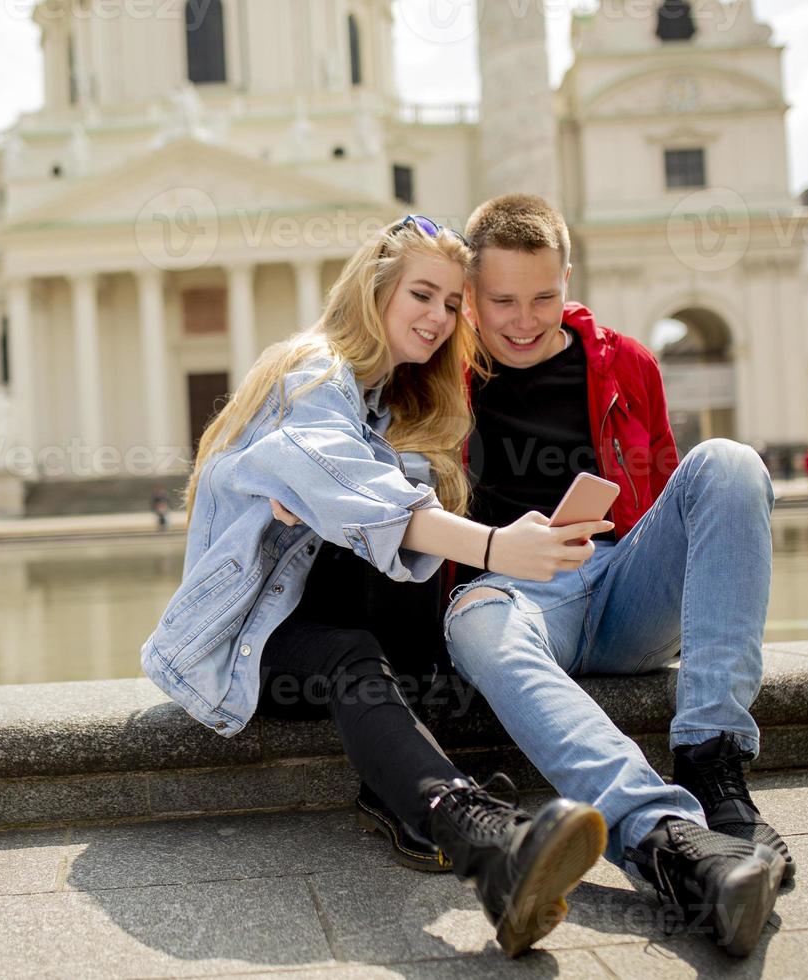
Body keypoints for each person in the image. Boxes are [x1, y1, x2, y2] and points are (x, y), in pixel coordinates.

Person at [142, 215, 613, 958]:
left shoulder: (385, 402)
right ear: (376, 291)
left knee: (414, 500)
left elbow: (379, 511)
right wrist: (498, 546)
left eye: (453, 304)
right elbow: (368, 504)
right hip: (245, 634)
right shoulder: (314, 371)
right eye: (421, 295)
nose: (438, 317)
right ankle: (480, 839)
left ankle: (433, 821)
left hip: (320, 621)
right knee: (361, 624)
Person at [441, 194, 789, 957]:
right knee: (472, 621)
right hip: (509, 594)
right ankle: (669, 838)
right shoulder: (435, 372)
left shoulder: (626, 361)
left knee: (728, 464)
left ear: (568, 276)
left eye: (544, 296)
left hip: (623, 585)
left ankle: (713, 762)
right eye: (501, 301)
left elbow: (673, 489)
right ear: (470, 294)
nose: (525, 319)